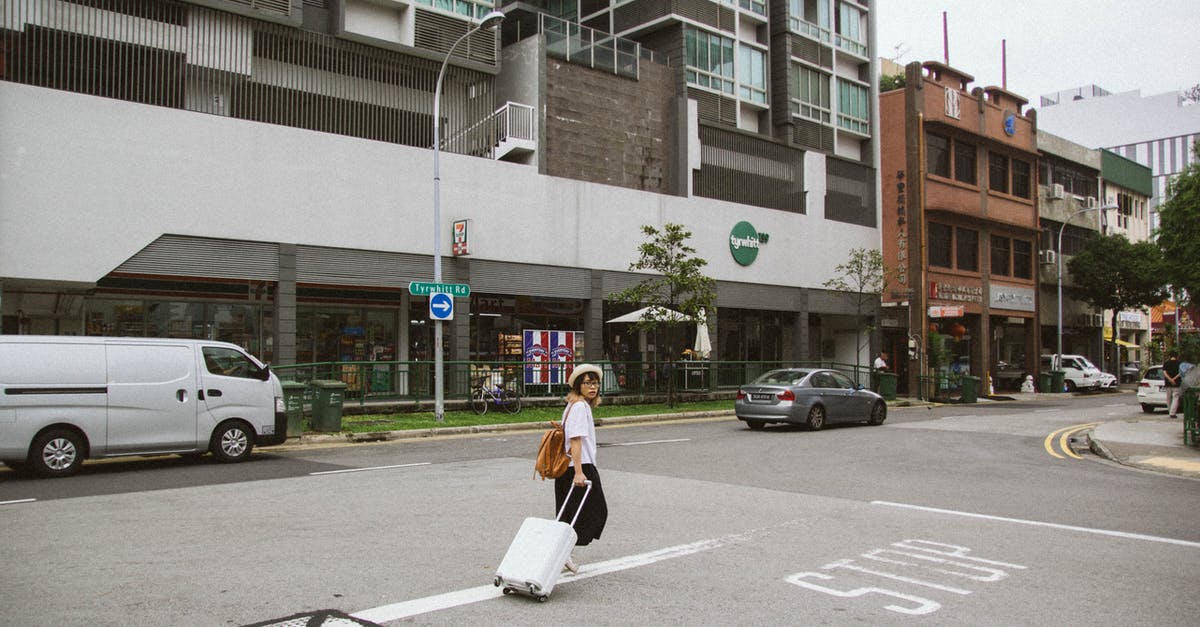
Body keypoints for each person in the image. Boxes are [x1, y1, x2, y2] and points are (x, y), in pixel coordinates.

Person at [555, 364, 609, 574]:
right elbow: (575, 440)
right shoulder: (578, 407)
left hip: (572, 467)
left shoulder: (575, 405)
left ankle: (561, 552)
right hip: (579, 467)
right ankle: (563, 551)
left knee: (569, 515)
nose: (593, 387)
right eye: (588, 383)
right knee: (596, 512)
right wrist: (579, 471)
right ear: (579, 385)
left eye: (595, 383)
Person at [1163, 351, 1182, 418]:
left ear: (1169, 356)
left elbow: (1164, 373)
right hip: (1176, 383)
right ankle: (1172, 413)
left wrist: (1170, 379)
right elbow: (1180, 373)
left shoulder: (1166, 363)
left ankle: (1170, 411)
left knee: (1168, 398)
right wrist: (1174, 379)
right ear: (1177, 356)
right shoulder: (1179, 363)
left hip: (1167, 383)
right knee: (1175, 398)